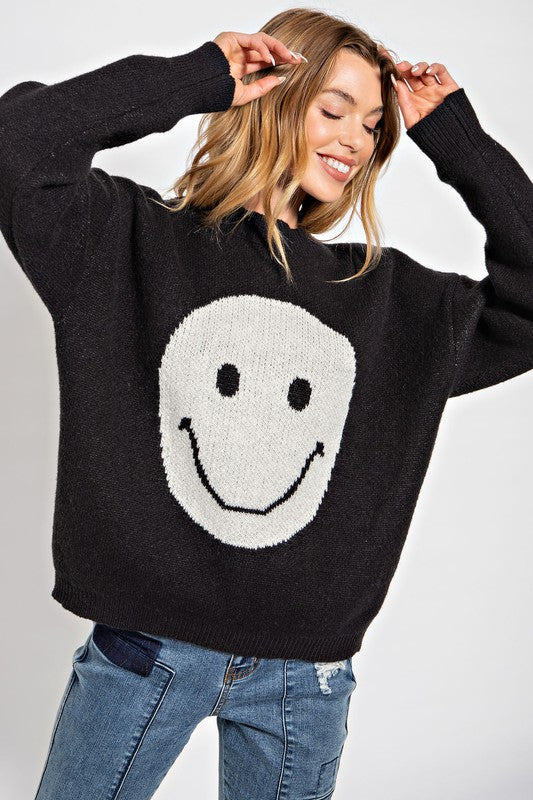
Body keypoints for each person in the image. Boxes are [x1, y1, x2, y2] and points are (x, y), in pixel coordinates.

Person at [0, 7, 531, 799]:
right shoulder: (125, 241)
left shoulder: (386, 303)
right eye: (333, 109)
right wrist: (198, 76)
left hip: (304, 680)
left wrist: (456, 140)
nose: (355, 140)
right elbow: (17, 144)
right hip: (142, 652)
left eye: (373, 124)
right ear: (272, 98)